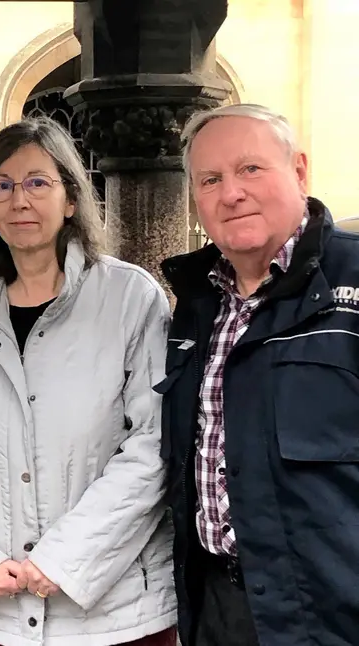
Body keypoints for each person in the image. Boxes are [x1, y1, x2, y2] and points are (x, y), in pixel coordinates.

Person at [0, 117, 176, 646]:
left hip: (112, 616)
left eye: (37, 182)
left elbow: (153, 444)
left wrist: (66, 560)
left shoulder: (129, 299)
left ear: (71, 198)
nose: (19, 200)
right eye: (1, 186)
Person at [157, 103, 359, 646]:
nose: (231, 193)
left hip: (331, 615)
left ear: (298, 171)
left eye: (250, 169)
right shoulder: (196, 304)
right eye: (211, 179)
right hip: (216, 608)